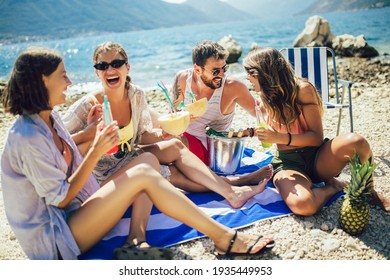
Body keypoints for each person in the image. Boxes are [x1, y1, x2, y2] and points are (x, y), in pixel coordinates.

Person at [0, 46, 275, 260]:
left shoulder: (49, 119)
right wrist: (96, 149)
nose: (70, 82)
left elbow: (76, 145)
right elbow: (59, 199)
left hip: (79, 213)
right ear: (42, 80)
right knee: (144, 170)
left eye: (117, 63)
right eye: (63, 75)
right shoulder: (27, 136)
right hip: (56, 240)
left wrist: (92, 132)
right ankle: (224, 237)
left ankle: (141, 238)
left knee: (145, 166)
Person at [62, 40, 273, 213]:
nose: (110, 69)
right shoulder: (89, 105)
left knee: (174, 145)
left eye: (116, 63)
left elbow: (142, 136)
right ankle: (235, 186)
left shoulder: (136, 95)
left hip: (128, 158)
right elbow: (57, 143)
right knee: (172, 172)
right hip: (102, 175)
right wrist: (87, 134)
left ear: (127, 67)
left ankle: (232, 190)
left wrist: (161, 134)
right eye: (102, 66)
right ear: (97, 72)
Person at [242, 47, 390, 215]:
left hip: (318, 158)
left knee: (357, 142)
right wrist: (253, 132)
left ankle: (369, 191)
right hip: (289, 164)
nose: (247, 77)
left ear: (265, 73)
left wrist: (279, 137)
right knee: (303, 205)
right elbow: (270, 137)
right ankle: (333, 187)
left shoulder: (303, 90)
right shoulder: (263, 98)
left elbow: (316, 138)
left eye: (250, 73)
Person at [169, 40, 259, 165]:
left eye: (224, 68)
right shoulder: (183, 79)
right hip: (185, 139)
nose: (222, 75)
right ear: (197, 69)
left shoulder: (232, 87)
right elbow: (172, 114)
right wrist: (183, 118)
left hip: (213, 150)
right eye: (215, 71)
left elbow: (261, 113)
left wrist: (251, 132)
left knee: (170, 145)